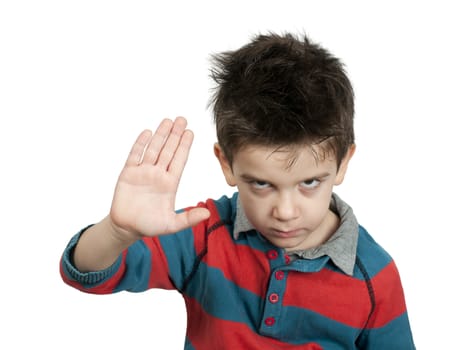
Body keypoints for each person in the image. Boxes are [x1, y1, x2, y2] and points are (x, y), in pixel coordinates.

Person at [60, 32, 416, 349]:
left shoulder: (374, 276)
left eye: (309, 183)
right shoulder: (204, 234)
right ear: (227, 163)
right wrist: (118, 231)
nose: (286, 211)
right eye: (262, 183)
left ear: (343, 163)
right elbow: (87, 272)